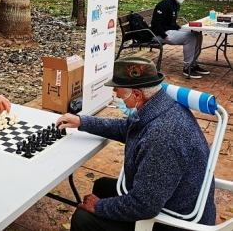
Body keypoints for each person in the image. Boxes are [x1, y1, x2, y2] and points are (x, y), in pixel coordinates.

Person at [56, 56, 215, 231]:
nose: (116, 96)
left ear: (137, 94)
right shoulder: (159, 106)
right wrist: (82, 122)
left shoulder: (162, 136)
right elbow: (126, 128)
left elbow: (143, 205)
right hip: (173, 197)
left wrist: (99, 207)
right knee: (102, 185)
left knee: (83, 218)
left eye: (118, 92)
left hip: (178, 220)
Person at [151, 0, 209, 79]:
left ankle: (193, 64)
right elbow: (155, 24)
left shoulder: (176, 5)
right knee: (190, 37)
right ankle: (187, 68)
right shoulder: (164, 5)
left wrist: (181, 28)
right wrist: (164, 35)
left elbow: (171, 22)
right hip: (159, 34)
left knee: (197, 33)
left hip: (170, 31)